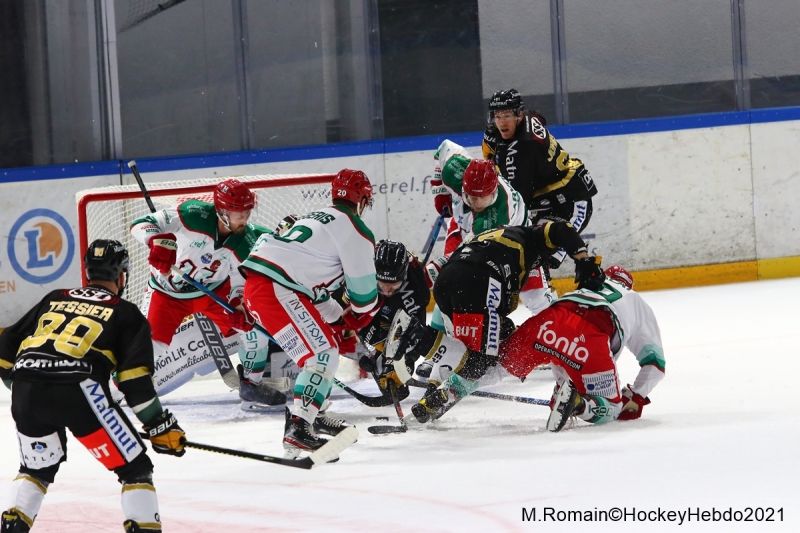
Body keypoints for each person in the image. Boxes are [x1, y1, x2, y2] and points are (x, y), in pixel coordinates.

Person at [0, 240, 186, 533]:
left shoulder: (54, 297)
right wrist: (159, 425)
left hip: (27, 388)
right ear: (122, 276)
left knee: (36, 469)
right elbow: (133, 380)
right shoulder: (127, 313)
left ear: (88, 271)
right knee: (135, 469)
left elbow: (6, 343)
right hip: (80, 388)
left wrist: (21, 383)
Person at [387, 223, 605, 424]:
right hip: (479, 281)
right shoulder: (530, 237)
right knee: (478, 366)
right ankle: (417, 335)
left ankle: (433, 389)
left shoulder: (494, 236)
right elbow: (561, 228)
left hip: (450, 282)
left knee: (464, 354)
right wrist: (584, 260)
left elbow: (443, 268)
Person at [239, 169, 379, 456]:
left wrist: (339, 317)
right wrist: (359, 315)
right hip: (277, 290)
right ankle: (299, 429)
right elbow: (365, 298)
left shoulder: (312, 218)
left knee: (321, 347)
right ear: (362, 199)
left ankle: (313, 413)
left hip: (260, 289)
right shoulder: (354, 228)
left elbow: (312, 290)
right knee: (323, 353)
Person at [129, 178, 284, 406]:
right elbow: (141, 223)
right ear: (221, 212)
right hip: (167, 293)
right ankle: (118, 391)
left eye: (247, 212)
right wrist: (156, 239)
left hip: (214, 292)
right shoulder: (193, 214)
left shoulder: (246, 238)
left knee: (255, 330)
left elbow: (240, 280)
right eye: (238, 213)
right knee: (150, 347)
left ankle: (251, 384)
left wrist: (239, 306)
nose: (245, 218)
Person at [498, 265, 666, 432]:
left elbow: (565, 341)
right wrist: (637, 395)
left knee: (496, 366)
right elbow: (655, 364)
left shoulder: (590, 284)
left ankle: (471, 380)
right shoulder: (635, 300)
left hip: (551, 320)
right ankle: (579, 404)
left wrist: (562, 385)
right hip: (591, 338)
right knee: (613, 408)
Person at [482, 89, 599, 312]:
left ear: (518, 114)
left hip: (572, 203)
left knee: (541, 255)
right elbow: (539, 118)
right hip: (556, 195)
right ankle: (554, 309)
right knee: (538, 252)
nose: (501, 122)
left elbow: (517, 205)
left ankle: (558, 315)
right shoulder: (529, 119)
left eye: (507, 115)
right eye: (497, 116)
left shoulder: (521, 153)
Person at [354, 240, 430, 400]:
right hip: (373, 298)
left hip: (403, 302)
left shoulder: (417, 289)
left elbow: (416, 330)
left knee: (409, 335)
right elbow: (355, 320)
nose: (387, 289)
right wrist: (369, 352)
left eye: (393, 283)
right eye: (382, 283)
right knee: (370, 329)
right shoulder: (361, 271)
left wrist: (404, 362)